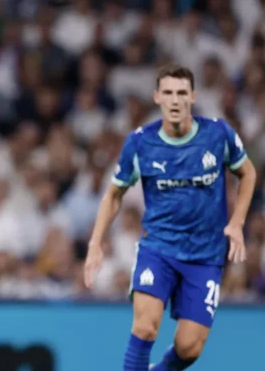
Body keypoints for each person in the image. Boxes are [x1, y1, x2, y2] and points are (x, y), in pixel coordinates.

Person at [83, 64, 256, 371]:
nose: (175, 100)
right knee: (145, 327)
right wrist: (95, 243)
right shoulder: (140, 143)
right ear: (157, 97)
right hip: (158, 248)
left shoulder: (217, 134)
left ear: (193, 97)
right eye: (168, 93)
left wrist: (237, 222)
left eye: (181, 93)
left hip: (205, 255)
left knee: (189, 347)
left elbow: (248, 172)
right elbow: (113, 194)